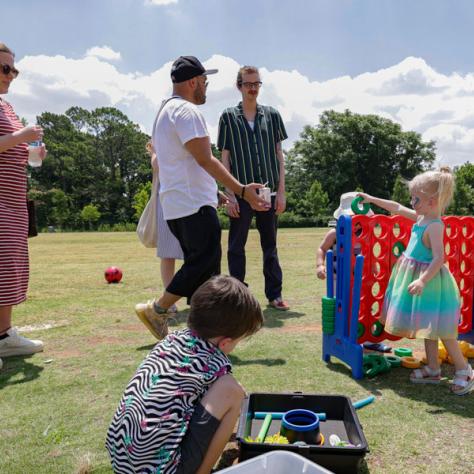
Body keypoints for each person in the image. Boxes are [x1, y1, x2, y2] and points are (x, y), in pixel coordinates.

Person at [135, 56, 268, 341]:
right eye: (204, 81)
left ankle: (203, 335)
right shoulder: (186, 111)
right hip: (192, 205)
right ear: (193, 82)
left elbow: (184, 164)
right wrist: (242, 190)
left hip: (177, 205)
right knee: (203, 261)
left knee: (206, 275)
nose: (206, 87)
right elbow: (205, 159)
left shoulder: (163, 113)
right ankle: (157, 309)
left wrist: (218, 193)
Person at [107, 275, 263, 474]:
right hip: (163, 470)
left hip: (123, 463)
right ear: (225, 342)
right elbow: (227, 396)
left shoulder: (170, 341)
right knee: (233, 392)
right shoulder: (215, 360)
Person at [358, 168, 474, 395]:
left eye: (416, 198)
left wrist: (422, 280)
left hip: (432, 284)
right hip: (419, 280)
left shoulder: (435, 225)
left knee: (442, 329)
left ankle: (464, 370)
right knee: (427, 326)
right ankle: (433, 368)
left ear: (432, 201)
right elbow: (396, 207)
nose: (412, 202)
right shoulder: (422, 218)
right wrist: (372, 200)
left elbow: (440, 257)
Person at [217, 66, 289, 310]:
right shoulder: (228, 116)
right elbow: (224, 157)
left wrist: (282, 191)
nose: (253, 88)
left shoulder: (272, 115)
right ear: (239, 86)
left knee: (270, 245)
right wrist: (230, 195)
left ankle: (275, 295)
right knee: (236, 246)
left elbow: (280, 156)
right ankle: (238, 297)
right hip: (241, 191)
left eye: (257, 83)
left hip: (268, 191)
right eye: (248, 84)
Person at [0, 43, 46, 370]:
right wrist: (23, 135)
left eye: (14, 69)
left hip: (14, 201)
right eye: (5, 69)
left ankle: (4, 336)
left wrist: (32, 152)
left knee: (10, 268)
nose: (12, 75)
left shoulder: (8, 107)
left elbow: (14, 149)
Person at [146, 141, 183, 313]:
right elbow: (156, 165)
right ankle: (170, 299)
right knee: (168, 253)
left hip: (184, 197)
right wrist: (155, 150)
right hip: (166, 201)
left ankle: (192, 297)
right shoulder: (159, 143)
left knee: (193, 255)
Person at [316, 191, 374, 280]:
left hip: (358, 277)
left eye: (359, 217)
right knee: (338, 293)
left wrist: (374, 270)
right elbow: (322, 249)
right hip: (337, 277)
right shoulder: (335, 233)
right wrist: (320, 265)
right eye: (350, 217)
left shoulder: (364, 234)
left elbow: (369, 253)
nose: (354, 220)